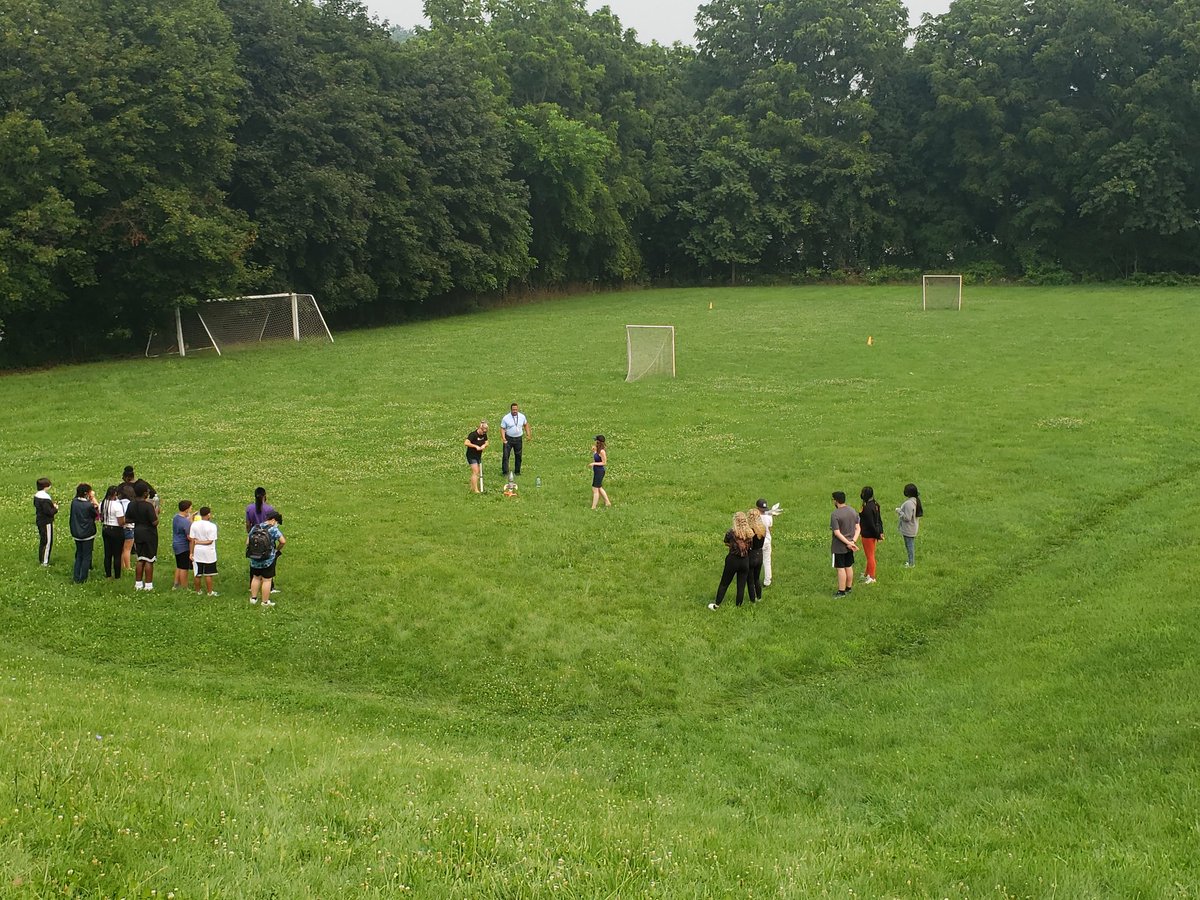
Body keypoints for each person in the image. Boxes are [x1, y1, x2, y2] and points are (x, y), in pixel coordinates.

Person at [708, 512, 753, 610]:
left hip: (733, 559)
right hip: (745, 560)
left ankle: (717, 604)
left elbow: (726, 542)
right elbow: (750, 546)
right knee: (741, 585)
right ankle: (739, 605)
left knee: (724, 583)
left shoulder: (731, 532)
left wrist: (733, 546)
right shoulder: (750, 533)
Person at [125, 483, 159, 591]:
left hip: (138, 531)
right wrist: (156, 512)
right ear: (145, 493)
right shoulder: (148, 506)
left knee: (140, 558)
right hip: (149, 533)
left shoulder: (131, 504)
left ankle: (138, 584)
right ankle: (148, 585)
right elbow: (154, 522)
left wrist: (137, 519)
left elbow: (127, 519)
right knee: (149, 559)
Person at [248, 510, 285, 607]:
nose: (276, 524)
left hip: (254, 558)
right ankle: (265, 602)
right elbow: (283, 541)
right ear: (273, 520)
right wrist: (277, 549)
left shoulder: (255, 527)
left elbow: (247, 542)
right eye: (277, 522)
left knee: (256, 577)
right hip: (268, 559)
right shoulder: (273, 529)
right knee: (267, 580)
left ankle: (253, 598)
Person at [830, 491, 860, 598]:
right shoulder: (852, 511)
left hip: (839, 546)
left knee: (840, 568)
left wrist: (848, 543)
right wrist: (853, 542)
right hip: (850, 545)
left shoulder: (835, 514)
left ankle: (841, 591)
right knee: (848, 566)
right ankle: (848, 587)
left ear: (836, 501)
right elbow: (858, 528)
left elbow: (837, 533)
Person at [69, 483, 100, 583]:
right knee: (87, 556)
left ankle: (76, 576)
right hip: (87, 534)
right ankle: (83, 578)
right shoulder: (88, 506)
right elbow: (97, 515)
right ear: (87, 493)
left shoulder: (74, 502)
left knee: (79, 555)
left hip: (76, 533)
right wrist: (93, 500)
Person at [189, 506, 219, 596]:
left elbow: (192, 540)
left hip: (197, 551)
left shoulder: (194, 524)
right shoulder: (212, 526)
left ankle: (198, 591)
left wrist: (191, 552)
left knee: (197, 573)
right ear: (208, 514)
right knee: (208, 574)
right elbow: (210, 541)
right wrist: (199, 542)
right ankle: (210, 592)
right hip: (209, 553)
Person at [99, 485, 127, 579]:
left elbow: (101, 516)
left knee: (107, 554)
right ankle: (117, 576)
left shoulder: (102, 503)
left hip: (106, 529)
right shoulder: (117, 505)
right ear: (115, 494)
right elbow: (120, 522)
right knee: (117, 554)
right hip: (116, 530)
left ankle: (108, 575)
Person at [859, 486, 884, 584]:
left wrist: (877, 535)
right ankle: (867, 573)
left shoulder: (867, 508)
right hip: (873, 534)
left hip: (868, 535)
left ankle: (872, 577)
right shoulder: (875, 505)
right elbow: (879, 520)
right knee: (870, 554)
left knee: (870, 556)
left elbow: (870, 524)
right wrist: (880, 532)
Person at [500, 402, 532, 479]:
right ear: (511, 410)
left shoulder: (522, 416)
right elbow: (502, 428)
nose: (515, 411)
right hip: (508, 439)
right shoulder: (506, 418)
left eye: (516, 409)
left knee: (518, 455)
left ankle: (517, 471)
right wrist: (503, 438)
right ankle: (505, 472)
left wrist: (528, 434)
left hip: (518, 439)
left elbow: (526, 425)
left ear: (518, 409)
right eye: (513, 409)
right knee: (506, 455)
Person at [755, 498, 782, 587]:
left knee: (754, 561)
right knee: (767, 561)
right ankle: (767, 581)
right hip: (767, 540)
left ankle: (754, 578)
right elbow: (770, 529)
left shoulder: (755, 518)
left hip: (758, 541)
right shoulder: (769, 517)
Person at [896, 483, 923, 567]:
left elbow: (907, 518)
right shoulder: (915, 500)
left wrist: (899, 511)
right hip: (912, 528)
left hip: (908, 529)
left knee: (909, 546)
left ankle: (911, 563)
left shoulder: (909, 503)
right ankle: (910, 561)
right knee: (909, 545)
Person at [34, 477, 58, 566]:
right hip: (46, 522)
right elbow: (49, 512)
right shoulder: (45, 499)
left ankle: (41, 558)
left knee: (43, 540)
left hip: (40, 520)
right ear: (45, 487)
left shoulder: (37, 496)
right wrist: (55, 508)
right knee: (47, 541)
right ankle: (45, 562)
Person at [172, 500, 194, 590]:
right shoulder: (186, 522)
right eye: (190, 507)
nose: (191, 509)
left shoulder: (176, 517)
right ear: (186, 509)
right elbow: (189, 536)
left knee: (179, 565)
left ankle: (176, 584)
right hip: (183, 546)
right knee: (184, 567)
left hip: (176, 544)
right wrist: (191, 523)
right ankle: (184, 587)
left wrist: (190, 517)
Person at [746, 507, 767, 601]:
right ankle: (759, 597)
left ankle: (752, 599)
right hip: (760, 554)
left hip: (751, 555)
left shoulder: (750, 530)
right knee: (757, 579)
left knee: (750, 580)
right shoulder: (762, 529)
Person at [464, 420, 489, 493]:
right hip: (471, 455)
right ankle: (476, 490)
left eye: (485, 432)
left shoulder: (484, 435)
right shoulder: (473, 434)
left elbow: (487, 442)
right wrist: (475, 446)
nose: (484, 433)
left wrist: (484, 445)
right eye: (483, 431)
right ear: (480, 428)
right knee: (475, 471)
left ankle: (472, 487)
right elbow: (466, 443)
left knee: (477, 472)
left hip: (478, 455)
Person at [589, 435, 611, 509]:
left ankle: (593, 506)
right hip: (596, 470)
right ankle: (607, 502)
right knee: (599, 487)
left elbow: (604, 462)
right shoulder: (598, 450)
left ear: (599, 442)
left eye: (596, 441)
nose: (595, 442)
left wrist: (594, 463)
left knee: (595, 489)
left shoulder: (602, 451)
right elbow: (596, 457)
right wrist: (594, 451)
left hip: (600, 471)